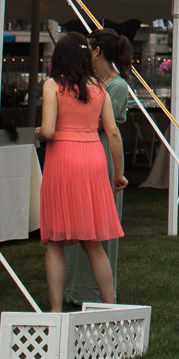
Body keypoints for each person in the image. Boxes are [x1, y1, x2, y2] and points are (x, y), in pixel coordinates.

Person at [36, 32, 126, 311]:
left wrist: (39, 132)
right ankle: (110, 307)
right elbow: (113, 133)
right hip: (93, 159)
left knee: (55, 242)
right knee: (94, 242)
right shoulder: (100, 87)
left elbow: (49, 130)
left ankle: (55, 311)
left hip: (63, 159)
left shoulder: (52, 85)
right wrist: (119, 173)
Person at [64, 28, 134, 303]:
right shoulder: (87, 81)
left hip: (102, 152)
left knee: (99, 224)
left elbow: (104, 125)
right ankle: (73, 288)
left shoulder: (116, 86)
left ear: (97, 51)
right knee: (78, 221)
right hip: (82, 150)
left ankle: (94, 292)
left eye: (86, 49)